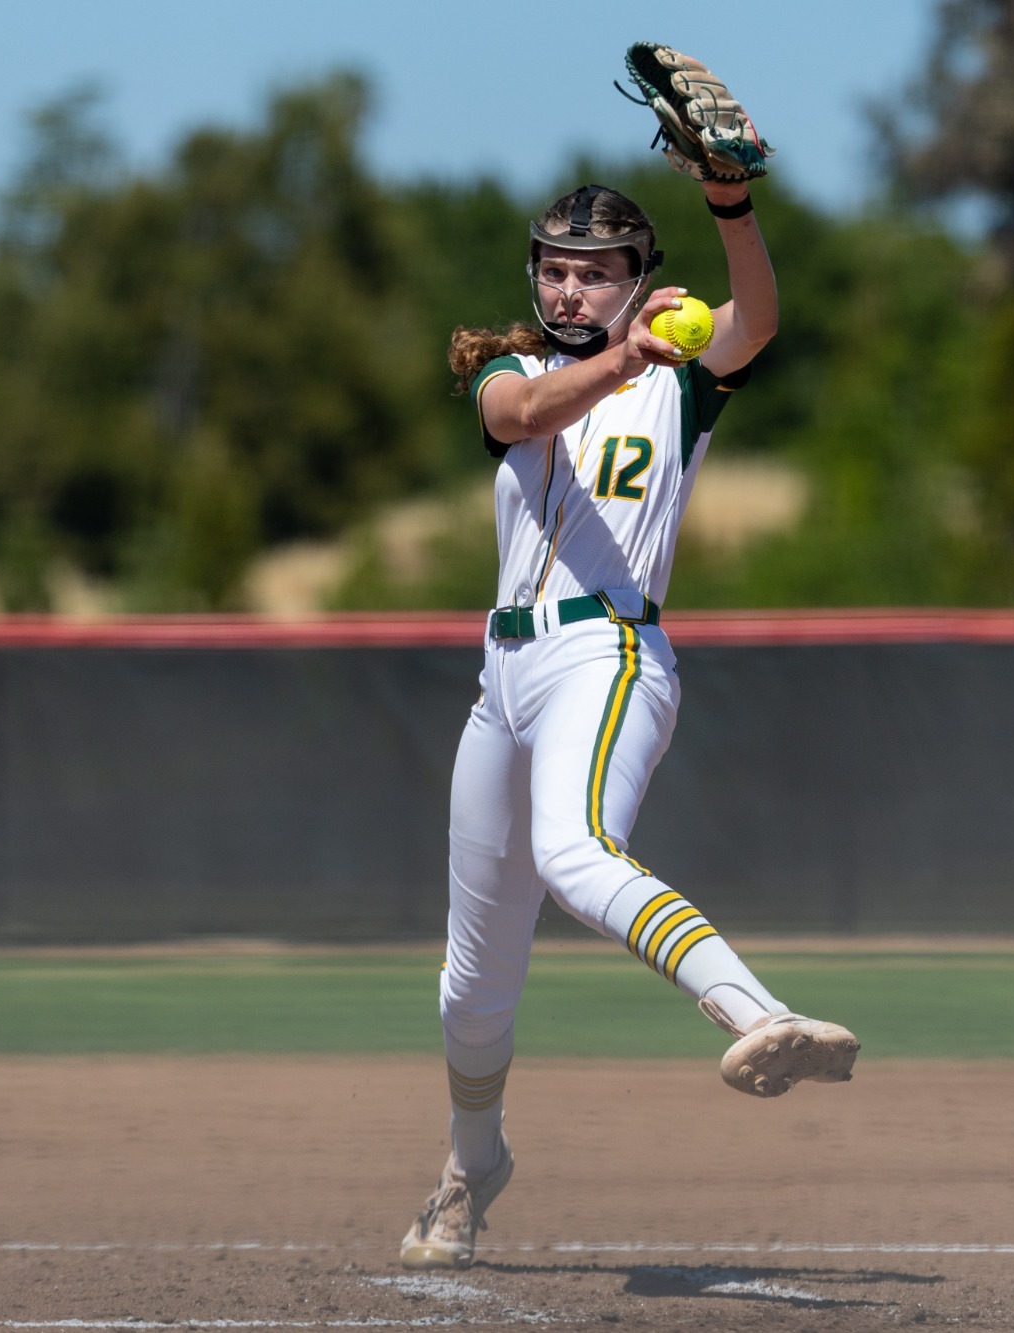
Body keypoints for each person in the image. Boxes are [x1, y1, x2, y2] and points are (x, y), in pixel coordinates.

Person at [398, 175, 860, 1272]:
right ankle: (471, 1168)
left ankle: (759, 1014)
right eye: (555, 269)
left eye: (596, 273)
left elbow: (760, 320)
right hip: (502, 676)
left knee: (574, 849)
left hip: (604, 652)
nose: (571, 288)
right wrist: (622, 356)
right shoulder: (516, 372)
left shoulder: (681, 381)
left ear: (639, 279)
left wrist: (731, 204)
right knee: (471, 984)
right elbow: (520, 419)